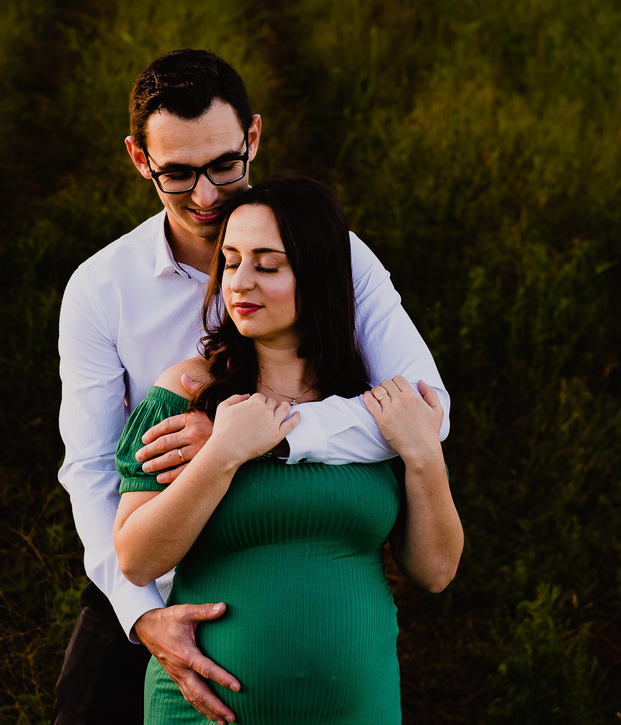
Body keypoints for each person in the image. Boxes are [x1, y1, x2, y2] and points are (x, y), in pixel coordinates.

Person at [56, 49, 450, 724]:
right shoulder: (101, 287)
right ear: (140, 159)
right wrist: (142, 614)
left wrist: (258, 433)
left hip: (288, 540)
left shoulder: (334, 256)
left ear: (254, 138)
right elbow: (91, 466)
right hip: (149, 565)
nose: (206, 196)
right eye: (177, 173)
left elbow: (426, 412)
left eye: (223, 165)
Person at [113, 175, 463, 724]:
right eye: (231, 261)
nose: (240, 283)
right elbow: (136, 559)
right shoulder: (189, 393)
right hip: (206, 715)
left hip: (359, 712)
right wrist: (222, 453)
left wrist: (423, 454)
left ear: (319, 275)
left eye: (268, 266)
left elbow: (436, 570)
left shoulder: (371, 408)